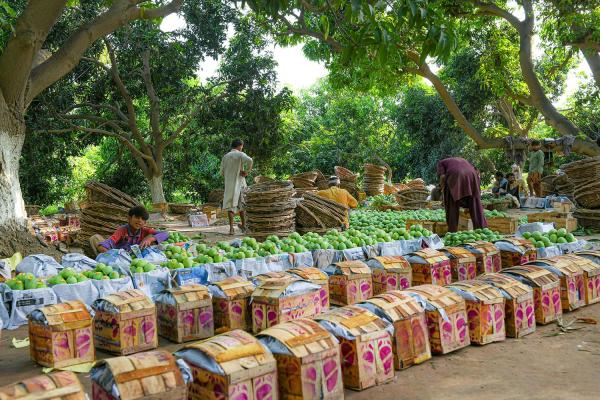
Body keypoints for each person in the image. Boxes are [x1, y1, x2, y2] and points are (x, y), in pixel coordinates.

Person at [90, 206, 168, 255]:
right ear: (129, 218)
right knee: (95, 238)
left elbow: (166, 233)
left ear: (145, 222)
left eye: (143, 219)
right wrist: (105, 250)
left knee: (152, 237)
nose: (140, 221)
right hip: (118, 256)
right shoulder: (122, 230)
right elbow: (110, 241)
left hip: (135, 258)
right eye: (137, 217)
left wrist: (150, 239)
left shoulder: (145, 230)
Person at [437, 157, 487, 232]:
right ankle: (482, 229)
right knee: (475, 203)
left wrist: (442, 189)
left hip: (456, 175)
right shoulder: (461, 159)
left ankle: (452, 231)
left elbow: (443, 177)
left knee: (451, 204)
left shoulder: (441, 162)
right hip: (472, 174)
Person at [220, 138, 253, 235]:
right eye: (242, 146)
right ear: (240, 146)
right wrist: (246, 172)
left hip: (229, 185)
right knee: (241, 205)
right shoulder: (240, 154)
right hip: (240, 184)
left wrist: (228, 175)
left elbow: (221, 172)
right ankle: (243, 225)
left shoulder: (225, 157)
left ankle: (231, 229)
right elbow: (250, 160)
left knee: (230, 206)